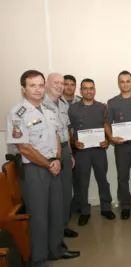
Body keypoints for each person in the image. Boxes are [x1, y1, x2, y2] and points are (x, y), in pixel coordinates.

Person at [6, 70, 79, 267]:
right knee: (39, 216)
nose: (37, 90)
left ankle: (55, 250)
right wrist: (48, 164)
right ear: (24, 89)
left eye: (40, 85)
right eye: (32, 86)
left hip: (53, 165)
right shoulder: (17, 113)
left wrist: (56, 159)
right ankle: (38, 260)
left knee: (56, 211)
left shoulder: (48, 110)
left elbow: (56, 135)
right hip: (34, 170)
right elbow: (24, 148)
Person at [68, 78, 116, 226]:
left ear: (95, 90)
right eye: (85, 88)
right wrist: (73, 141)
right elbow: (68, 129)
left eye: (91, 88)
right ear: (80, 91)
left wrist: (108, 141)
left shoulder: (102, 107)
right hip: (82, 152)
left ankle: (106, 208)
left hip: (99, 151)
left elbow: (108, 126)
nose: (89, 91)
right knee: (82, 183)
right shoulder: (73, 108)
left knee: (103, 180)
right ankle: (84, 211)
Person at [105, 70, 131, 220]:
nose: (125, 84)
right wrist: (111, 138)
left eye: (127, 81)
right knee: (122, 177)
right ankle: (126, 206)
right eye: (122, 81)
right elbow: (107, 123)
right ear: (118, 84)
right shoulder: (112, 102)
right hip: (121, 146)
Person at [43, 73, 78, 242]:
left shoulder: (63, 104)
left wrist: (69, 153)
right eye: (55, 83)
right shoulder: (41, 104)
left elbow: (66, 131)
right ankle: (54, 233)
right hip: (48, 154)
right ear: (47, 84)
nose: (60, 86)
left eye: (61, 83)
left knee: (65, 192)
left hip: (64, 149)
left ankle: (63, 227)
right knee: (53, 195)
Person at [63, 74, 82, 214]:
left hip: (80, 145)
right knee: (64, 180)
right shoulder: (55, 102)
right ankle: (66, 209)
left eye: (72, 84)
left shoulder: (81, 101)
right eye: (66, 84)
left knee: (79, 178)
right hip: (63, 146)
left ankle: (77, 206)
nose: (69, 87)